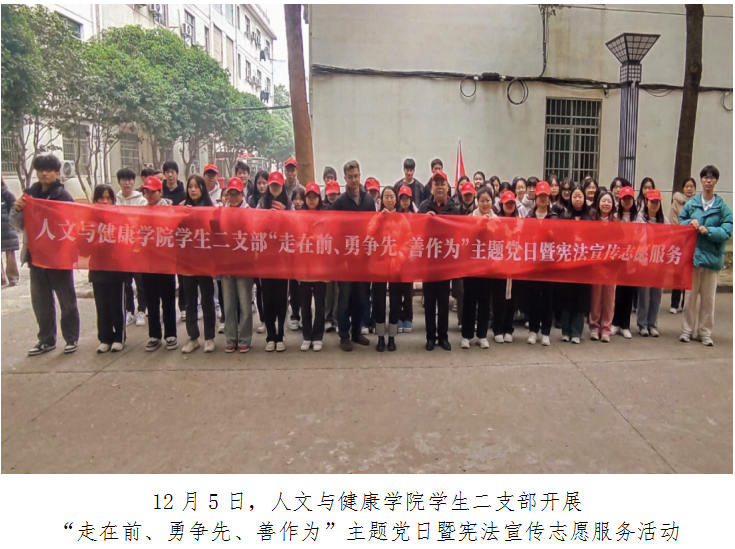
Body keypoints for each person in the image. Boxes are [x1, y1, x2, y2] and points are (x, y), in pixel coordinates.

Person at [10, 155, 80, 356]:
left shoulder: (63, 197)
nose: (44, 174)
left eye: (48, 170)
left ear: (57, 172)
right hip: (36, 259)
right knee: (41, 303)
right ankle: (46, 340)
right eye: (40, 170)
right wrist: (17, 209)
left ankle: (71, 338)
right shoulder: (29, 196)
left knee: (66, 301)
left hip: (59, 259)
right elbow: (18, 225)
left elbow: (72, 225)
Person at [678, 166, 732, 346]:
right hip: (693, 258)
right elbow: (681, 221)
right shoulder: (693, 203)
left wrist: (709, 231)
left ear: (716, 181)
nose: (708, 181)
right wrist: (690, 222)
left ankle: (705, 333)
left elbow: (727, 230)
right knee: (690, 298)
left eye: (712, 178)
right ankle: (686, 330)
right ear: (701, 180)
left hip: (712, 259)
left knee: (708, 300)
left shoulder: (722, 207)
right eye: (705, 178)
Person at [330, 160, 375, 352]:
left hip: (363, 258)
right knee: (344, 299)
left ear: (360, 175)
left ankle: (357, 331)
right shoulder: (339, 202)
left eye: (356, 176)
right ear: (345, 178)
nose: (354, 180)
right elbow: (333, 230)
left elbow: (374, 227)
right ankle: (344, 335)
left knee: (361, 298)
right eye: (350, 177)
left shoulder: (369, 201)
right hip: (345, 259)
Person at [419, 171, 459, 351]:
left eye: (443, 184)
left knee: (443, 302)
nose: (440, 187)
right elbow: (416, 232)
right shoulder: (424, 207)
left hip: (445, 262)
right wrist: (425, 221)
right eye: (436, 184)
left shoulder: (454, 209)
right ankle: (430, 337)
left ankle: (443, 337)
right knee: (429, 302)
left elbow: (460, 233)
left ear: (448, 187)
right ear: (431, 188)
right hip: (428, 262)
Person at [178, 175, 216, 353]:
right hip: (187, 262)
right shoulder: (181, 209)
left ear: (202, 189)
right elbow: (175, 233)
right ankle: (193, 337)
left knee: (207, 300)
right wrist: (181, 215)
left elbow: (216, 232)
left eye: (196, 186)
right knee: (190, 301)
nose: (193, 190)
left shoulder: (210, 209)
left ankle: (209, 337)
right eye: (190, 186)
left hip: (205, 261)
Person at [138, 176, 177, 351]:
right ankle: (154, 335)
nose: (149, 195)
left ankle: (171, 334)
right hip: (147, 262)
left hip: (165, 262)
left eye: (152, 192)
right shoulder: (141, 211)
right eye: (146, 191)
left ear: (160, 192)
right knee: (151, 300)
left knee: (167, 299)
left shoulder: (169, 210)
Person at [87, 185, 128, 353]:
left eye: (108, 198)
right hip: (97, 268)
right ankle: (105, 338)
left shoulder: (120, 218)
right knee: (101, 306)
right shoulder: (89, 219)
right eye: (101, 198)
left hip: (117, 269)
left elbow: (127, 241)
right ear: (95, 200)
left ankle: (119, 337)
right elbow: (82, 246)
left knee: (116, 305)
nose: (104, 201)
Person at [258, 171, 294, 352]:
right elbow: (255, 225)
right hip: (265, 258)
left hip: (282, 259)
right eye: (272, 185)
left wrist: (284, 215)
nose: (274, 188)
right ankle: (270, 335)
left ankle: (280, 335)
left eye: (277, 185)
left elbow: (295, 227)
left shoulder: (289, 205)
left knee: (281, 298)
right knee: (267, 297)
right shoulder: (261, 204)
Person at [220, 177, 254, 353]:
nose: (233, 197)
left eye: (236, 194)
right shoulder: (221, 212)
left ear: (242, 194)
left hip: (244, 265)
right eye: (230, 194)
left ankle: (245, 338)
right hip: (226, 264)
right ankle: (231, 338)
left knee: (245, 304)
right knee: (228, 304)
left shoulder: (250, 213)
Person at [461, 185, 495, 349]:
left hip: (488, 268)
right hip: (471, 266)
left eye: (488, 200)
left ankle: (482, 335)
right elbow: (466, 238)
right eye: (482, 200)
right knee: (469, 301)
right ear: (477, 202)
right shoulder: (469, 218)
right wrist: (480, 224)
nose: (485, 203)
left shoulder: (497, 219)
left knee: (484, 302)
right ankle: (466, 336)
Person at [557, 185, 592, 343]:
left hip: (584, 264)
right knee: (566, 298)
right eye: (575, 196)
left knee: (581, 299)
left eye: (580, 196)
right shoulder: (564, 217)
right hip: (567, 264)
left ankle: (576, 333)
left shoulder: (590, 218)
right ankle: (565, 331)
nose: (577, 199)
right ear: (570, 199)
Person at [297, 183, 328, 352]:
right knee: (305, 304)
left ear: (319, 198)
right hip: (304, 268)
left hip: (320, 268)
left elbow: (329, 242)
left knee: (320, 305)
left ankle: (317, 336)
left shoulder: (326, 218)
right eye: (308, 196)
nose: (311, 200)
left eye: (314, 196)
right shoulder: (298, 217)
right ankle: (306, 336)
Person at [634, 188, 669, 338]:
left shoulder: (665, 221)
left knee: (656, 295)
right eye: (652, 201)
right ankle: (642, 324)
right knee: (644, 295)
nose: (654, 204)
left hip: (659, 262)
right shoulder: (640, 219)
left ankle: (652, 324)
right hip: (644, 262)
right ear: (646, 202)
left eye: (657, 202)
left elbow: (670, 240)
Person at [525, 181, 556, 346]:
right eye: (540, 196)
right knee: (533, 299)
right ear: (535, 197)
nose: (543, 199)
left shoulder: (555, 218)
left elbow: (562, 239)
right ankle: (533, 330)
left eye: (545, 196)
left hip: (549, 265)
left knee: (548, 299)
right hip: (533, 264)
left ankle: (546, 332)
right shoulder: (529, 217)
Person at [116, 168, 148, 327]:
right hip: (121, 248)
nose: (127, 183)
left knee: (140, 281)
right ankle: (129, 310)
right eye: (124, 180)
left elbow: (142, 222)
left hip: (138, 248)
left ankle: (142, 310)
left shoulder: (141, 201)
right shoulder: (115, 200)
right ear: (119, 182)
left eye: (130, 180)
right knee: (125, 282)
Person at [589, 190, 617, 343]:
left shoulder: (617, 223)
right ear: (598, 203)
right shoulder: (592, 222)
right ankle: (594, 326)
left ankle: (606, 328)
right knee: (596, 298)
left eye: (609, 201)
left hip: (611, 267)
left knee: (609, 299)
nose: (606, 204)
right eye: (603, 201)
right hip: (595, 265)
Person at [490, 190, 518, 344]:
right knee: (498, 298)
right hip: (499, 266)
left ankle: (508, 329)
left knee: (512, 299)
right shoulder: (496, 221)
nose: (509, 206)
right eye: (507, 203)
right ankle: (497, 329)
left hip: (514, 266)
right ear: (502, 204)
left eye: (512, 203)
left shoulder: (520, 222)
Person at [161, 160, 187, 322]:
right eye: (167, 172)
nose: (170, 175)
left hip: (181, 239)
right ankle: (167, 309)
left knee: (183, 276)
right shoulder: (159, 193)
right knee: (166, 277)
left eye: (173, 171)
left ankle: (183, 307)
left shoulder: (184, 194)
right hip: (163, 240)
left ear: (177, 173)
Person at [611, 185, 638, 339]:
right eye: (624, 199)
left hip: (633, 260)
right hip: (617, 259)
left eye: (629, 199)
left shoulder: (638, 218)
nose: (627, 201)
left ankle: (625, 325)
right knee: (618, 293)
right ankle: (615, 323)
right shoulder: (615, 217)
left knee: (629, 293)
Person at [668, 177, 697, 314]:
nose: (689, 189)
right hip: (679, 242)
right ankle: (674, 304)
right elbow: (673, 221)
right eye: (687, 186)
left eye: (692, 186)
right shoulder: (676, 203)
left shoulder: (698, 203)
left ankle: (686, 303)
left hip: (693, 243)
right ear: (683, 188)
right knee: (677, 273)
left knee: (689, 274)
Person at [452, 180, 476, 328]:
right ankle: (462, 321)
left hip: (474, 254)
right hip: (459, 254)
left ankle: (473, 320)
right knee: (460, 291)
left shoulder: (479, 211)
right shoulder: (455, 211)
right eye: (465, 195)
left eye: (470, 195)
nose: (467, 197)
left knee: (472, 290)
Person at [248, 170, 269, 334]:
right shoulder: (251, 201)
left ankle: (272, 319)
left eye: (264, 182)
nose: (261, 186)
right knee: (259, 288)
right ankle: (262, 319)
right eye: (259, 183)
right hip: (256, 247)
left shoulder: (272, 200)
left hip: (271, 249)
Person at [396, 185, 417, 334]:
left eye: (407, 198)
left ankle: (408, 317)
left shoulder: (416, 216)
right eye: (402, 198)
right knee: (397, 290)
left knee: (408, 291)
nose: (404, 201)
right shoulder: (395, 216)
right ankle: (398, 317)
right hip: (396, 257)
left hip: (410, 258)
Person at [322, 177, 341, 332]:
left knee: (339, 290)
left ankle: (337, 318)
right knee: (328, 289)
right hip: (326, 252)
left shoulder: (343, 208)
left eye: (335, 194)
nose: (332, 197)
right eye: (330, 194)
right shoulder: (322, 209)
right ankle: (327, 318)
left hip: (340, 253)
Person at [1, 179, 20, 287]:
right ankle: (1, 279)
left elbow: (14, 212)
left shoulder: (7, 195)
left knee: (10, 255)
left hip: (8, 229)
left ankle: (13, 278)